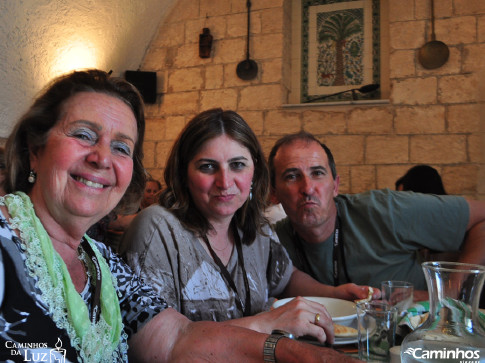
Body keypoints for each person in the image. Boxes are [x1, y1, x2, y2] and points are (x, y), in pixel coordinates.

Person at [0, 70, 357, 362]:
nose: (103, 158)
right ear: (35, 150)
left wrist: (296, 353)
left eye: (121, 147)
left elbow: (176, 338)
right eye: (83, 134)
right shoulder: (5, 246)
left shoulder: (102, 264)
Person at [122, 108, 377, 343]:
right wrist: (266, 323)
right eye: (208, 167)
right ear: (183, 174)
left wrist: (335, 294)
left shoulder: (257, 229)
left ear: (254, 173)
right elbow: (154, 344)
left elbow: (286, 279)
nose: (225, 182)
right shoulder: (158, 230)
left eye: (237, 165)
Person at [268, 131, 485, 299]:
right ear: (273, 194)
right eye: (292, 176)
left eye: (317, 173)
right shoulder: (272, 241)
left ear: (335, 186)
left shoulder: (385, 210)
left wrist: (448, 291)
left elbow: (482, 217)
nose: (307, 188)